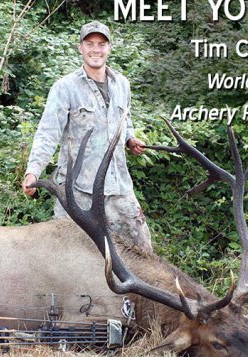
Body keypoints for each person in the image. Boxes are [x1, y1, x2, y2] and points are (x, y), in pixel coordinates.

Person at [21, 20, 152, 252]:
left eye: (101, 44)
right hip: (79, 190)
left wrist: (130, 138)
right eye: (89, 43)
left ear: (109, 48)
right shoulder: (65, 88)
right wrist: (33, 171)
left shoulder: (122, 84)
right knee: (67, 253)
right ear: (80, 47)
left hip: (118, 186)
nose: (95, 49)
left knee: (142, 250)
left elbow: (124, 120)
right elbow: (48, 133)